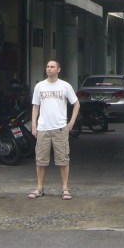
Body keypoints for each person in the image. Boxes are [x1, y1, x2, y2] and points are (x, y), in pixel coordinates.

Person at [29, 59, 80, 200]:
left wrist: (71, 123)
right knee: (41, 160)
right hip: (43, 128)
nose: (49, 69)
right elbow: (35, 106)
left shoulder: (65, 86)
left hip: (60, 128)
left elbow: (76, 104)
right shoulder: (39, 86)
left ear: (58, 69)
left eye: (52, 67)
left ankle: (65, 188)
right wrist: (34, 125)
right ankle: (39, 188)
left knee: (63, 160)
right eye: (47, 66)